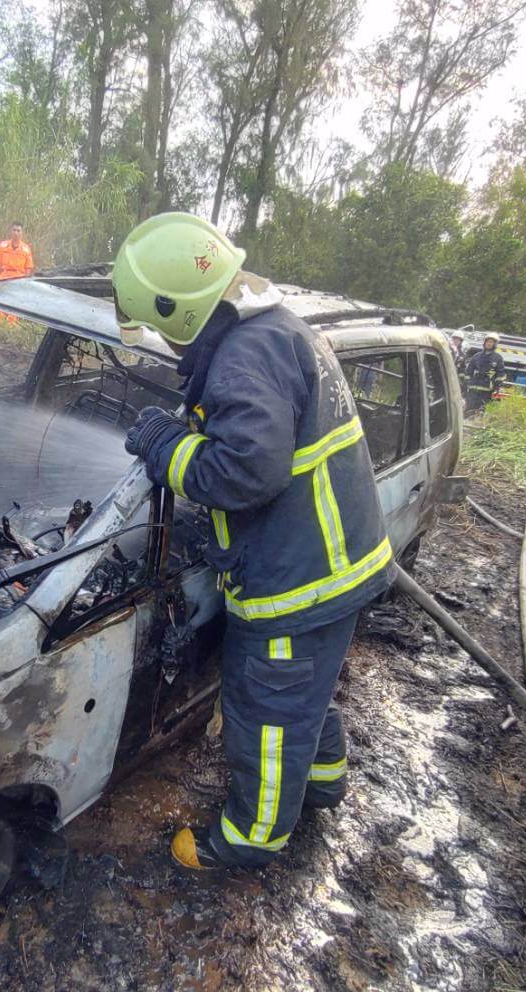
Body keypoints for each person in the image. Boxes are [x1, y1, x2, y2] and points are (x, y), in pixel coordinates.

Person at [112, 212, 392, 872]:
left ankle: (247, 840)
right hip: (333, 562)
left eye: (157, 326)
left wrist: (163, 446)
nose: (161, 341)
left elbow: (244, 472)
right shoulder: (271, 330)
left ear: (178, 312)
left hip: (300, 578)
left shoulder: (240, 361)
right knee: (302, 697)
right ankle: (323, 781)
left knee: (264, 712)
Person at [463, 333, 505, 414]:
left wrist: (497, 387)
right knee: (468, 409)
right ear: (484, 343)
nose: (489, 343)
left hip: (487, 390)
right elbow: (468, 372)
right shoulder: (476, 356)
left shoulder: (498, 358)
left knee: (482, 410)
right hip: (473, 388)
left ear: (495, 344)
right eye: (487, 342)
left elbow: (500, 375)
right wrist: (466, 384)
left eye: (491, 342)